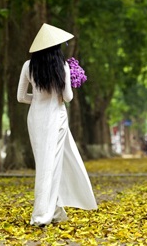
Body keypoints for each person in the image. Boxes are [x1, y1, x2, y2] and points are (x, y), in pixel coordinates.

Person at [17, 23, 97, 226]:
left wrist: (36, 99)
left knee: (44, 165)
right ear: (55, 48)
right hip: (56, 119)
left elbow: (20, 97)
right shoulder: (62, 67)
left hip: (35, 119)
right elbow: (68, 97)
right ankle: (42, 215)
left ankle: (53, 210)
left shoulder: (28, 66)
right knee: (51, 166)